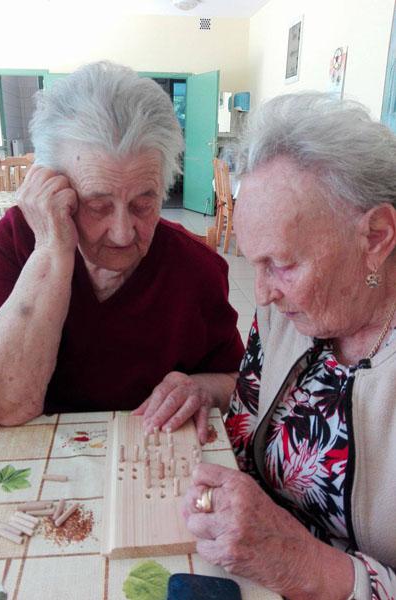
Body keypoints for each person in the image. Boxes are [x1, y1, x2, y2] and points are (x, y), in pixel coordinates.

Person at [0, 62, 244, 438]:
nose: (123, 234)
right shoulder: (20, 239)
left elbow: (237, 381)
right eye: (98, 205)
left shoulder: (196, 268)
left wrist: (202, 389)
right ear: (57, 191)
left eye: (143, 204)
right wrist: (52, 251)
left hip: (145, 453)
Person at [182, 92, 396, 598]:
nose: (261, 294)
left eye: (282, 264)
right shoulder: (287, 317)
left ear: (376, 237)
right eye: (254, 263)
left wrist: (302, 563)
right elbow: (245, 423)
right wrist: (204, 390)